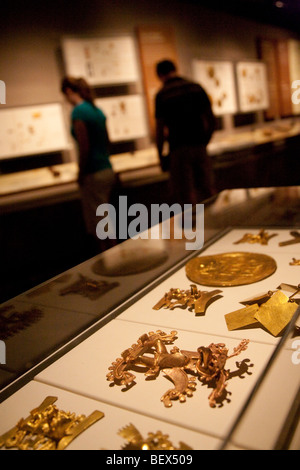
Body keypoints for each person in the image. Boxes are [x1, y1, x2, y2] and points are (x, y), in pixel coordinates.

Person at [61, 76, 117, 251]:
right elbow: (107, 141)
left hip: (93, 172)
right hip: (106, 168)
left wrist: (81, 173)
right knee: (105, 216)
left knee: (98, 221)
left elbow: (84, 146)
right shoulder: (96, 110)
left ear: (69, 91)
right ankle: (113, 256)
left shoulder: (78, 112)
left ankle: (108, 261)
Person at [155, 60, 216, 206]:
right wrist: (203, 142)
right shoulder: (195, 88)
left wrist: (161, 156)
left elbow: (160, 129)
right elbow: (212, 120)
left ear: (160, 75)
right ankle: (217, 223)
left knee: (186, 194)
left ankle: (195, 227)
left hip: (179, 149)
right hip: (199, 145)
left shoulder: (163, 94)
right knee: (207, 189)